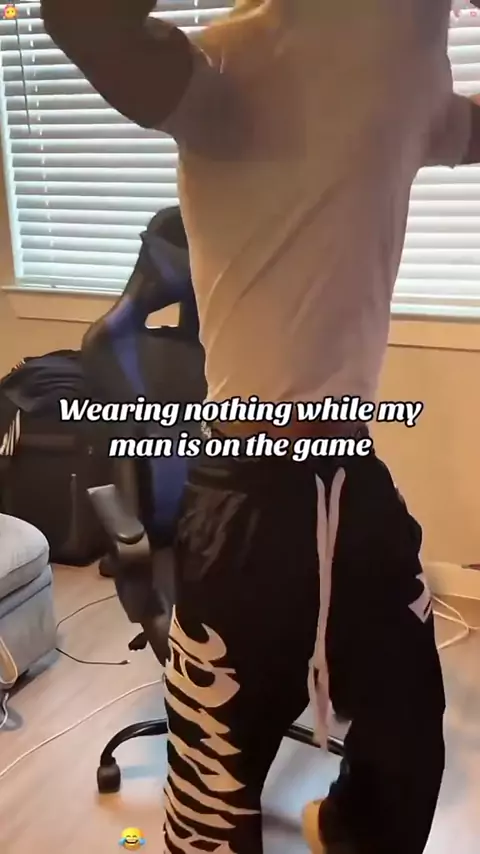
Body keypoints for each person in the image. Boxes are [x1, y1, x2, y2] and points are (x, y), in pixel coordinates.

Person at [41, 2, 480, 852]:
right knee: (216, 792)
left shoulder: (408, 79)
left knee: (408, 743)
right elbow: (82, 17)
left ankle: (343, 828)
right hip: (245, 500)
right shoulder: (231, 69)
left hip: (353, 483)